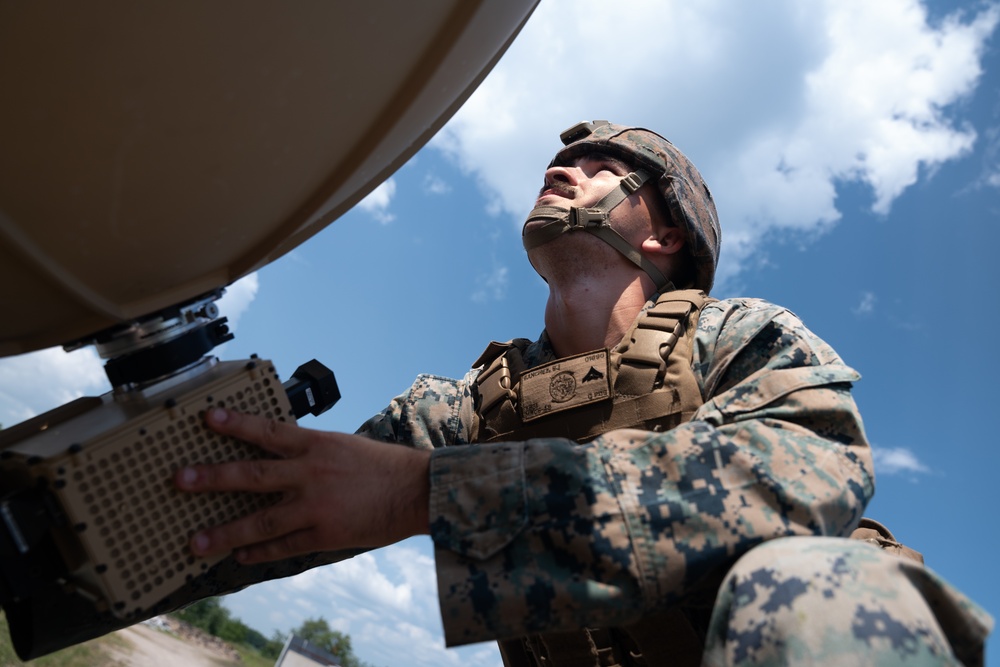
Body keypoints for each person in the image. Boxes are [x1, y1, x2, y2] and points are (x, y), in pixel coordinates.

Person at [176, 121, 992, 665]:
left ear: (663, 233)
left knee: (829, 590)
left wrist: (432, 493)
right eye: (564, 161)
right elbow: (274, 510)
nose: (562, 167)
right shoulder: (471, 406)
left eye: (607, 168)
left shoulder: (740, 337)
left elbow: (803, 475)